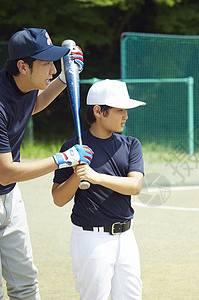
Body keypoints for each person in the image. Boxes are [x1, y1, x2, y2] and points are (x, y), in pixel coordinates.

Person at [0, 28, 93, 299]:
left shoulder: (24, 84)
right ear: (23, 66)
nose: (52, 68)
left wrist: (63, 78)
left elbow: (33, 105)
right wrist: (62, 159)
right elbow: (5, 172)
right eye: (47, 63)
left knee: (25, 283)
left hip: (10, 197)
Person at [51, 79, 146, 300]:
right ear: (98, 111)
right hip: (91, 239)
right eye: (120, 110)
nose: (126, 116)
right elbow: (58, 198)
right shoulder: (72, 148)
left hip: (126, 238)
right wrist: (77, 175)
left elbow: (135, 186)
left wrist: (96, 177)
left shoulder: (131, 144)